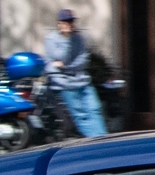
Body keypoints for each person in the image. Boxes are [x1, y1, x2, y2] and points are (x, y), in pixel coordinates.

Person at [44, 9, 108, 137]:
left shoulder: (79, 38)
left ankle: (102, 137)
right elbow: (58, 56)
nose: (69, 24)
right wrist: (67, 40)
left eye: (71, 21)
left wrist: (64, 66)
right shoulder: (51, 39)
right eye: (66, 22)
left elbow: (82, 60)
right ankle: (94, 140)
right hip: (65, 83)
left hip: (82, 80)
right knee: (80, 114)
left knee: (95, 109)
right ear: (59, 23)